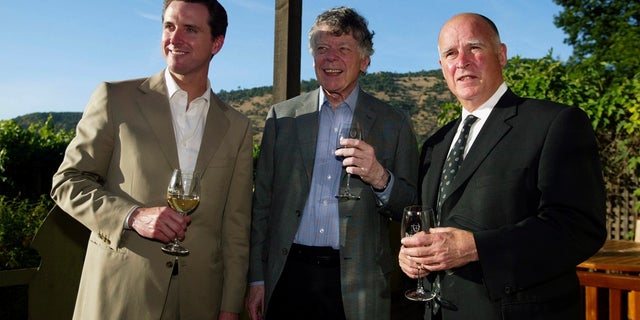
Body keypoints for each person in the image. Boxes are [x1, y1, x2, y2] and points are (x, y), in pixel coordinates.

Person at [50, 1, 253, 319]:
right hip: (121, 293)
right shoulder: (115, 99)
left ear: (217, 42)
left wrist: (230, 307)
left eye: (190, 29)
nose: (175, 38)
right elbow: (68, 182)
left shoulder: (238, 127)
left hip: (200, 301)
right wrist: (131, 216)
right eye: (169, 26)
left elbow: (236, 228)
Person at [398, 13, 607, 320]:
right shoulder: (435, 144)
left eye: (475, 47)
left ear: (502, 54)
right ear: (442, 66)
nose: (463, 61)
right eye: (451, 53)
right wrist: (413, 256)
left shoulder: (555, 123)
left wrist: (476, 247)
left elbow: (579, 227)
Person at [245, 6, 419, 320]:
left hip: (357, 285)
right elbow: (262, 205)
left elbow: (412, 206)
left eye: (343, 49)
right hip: (287, 276)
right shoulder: (282, 118)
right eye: (322, 48)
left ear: (364, 61)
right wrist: (257, 278)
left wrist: (380, 177)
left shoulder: (394, 123)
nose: (330, 57)